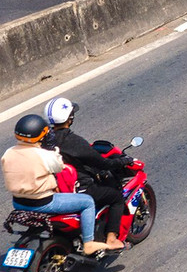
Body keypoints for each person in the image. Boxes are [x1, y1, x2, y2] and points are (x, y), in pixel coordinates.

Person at [1, 114, 116, 256]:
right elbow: (59, 167)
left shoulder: (8, 153)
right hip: (44, 202)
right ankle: (89, 243)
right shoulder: (44, 155)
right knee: (87, 202)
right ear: (42, 135)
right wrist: (51, 149)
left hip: (19, 203)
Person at [43, 96, 134, 251]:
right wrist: (123, 161)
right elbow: (103, 163)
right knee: (116, 197)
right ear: (69, 118)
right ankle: (112, 239)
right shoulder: (73, 141)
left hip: (51, 189)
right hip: (77, 189)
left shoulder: (44, 139)